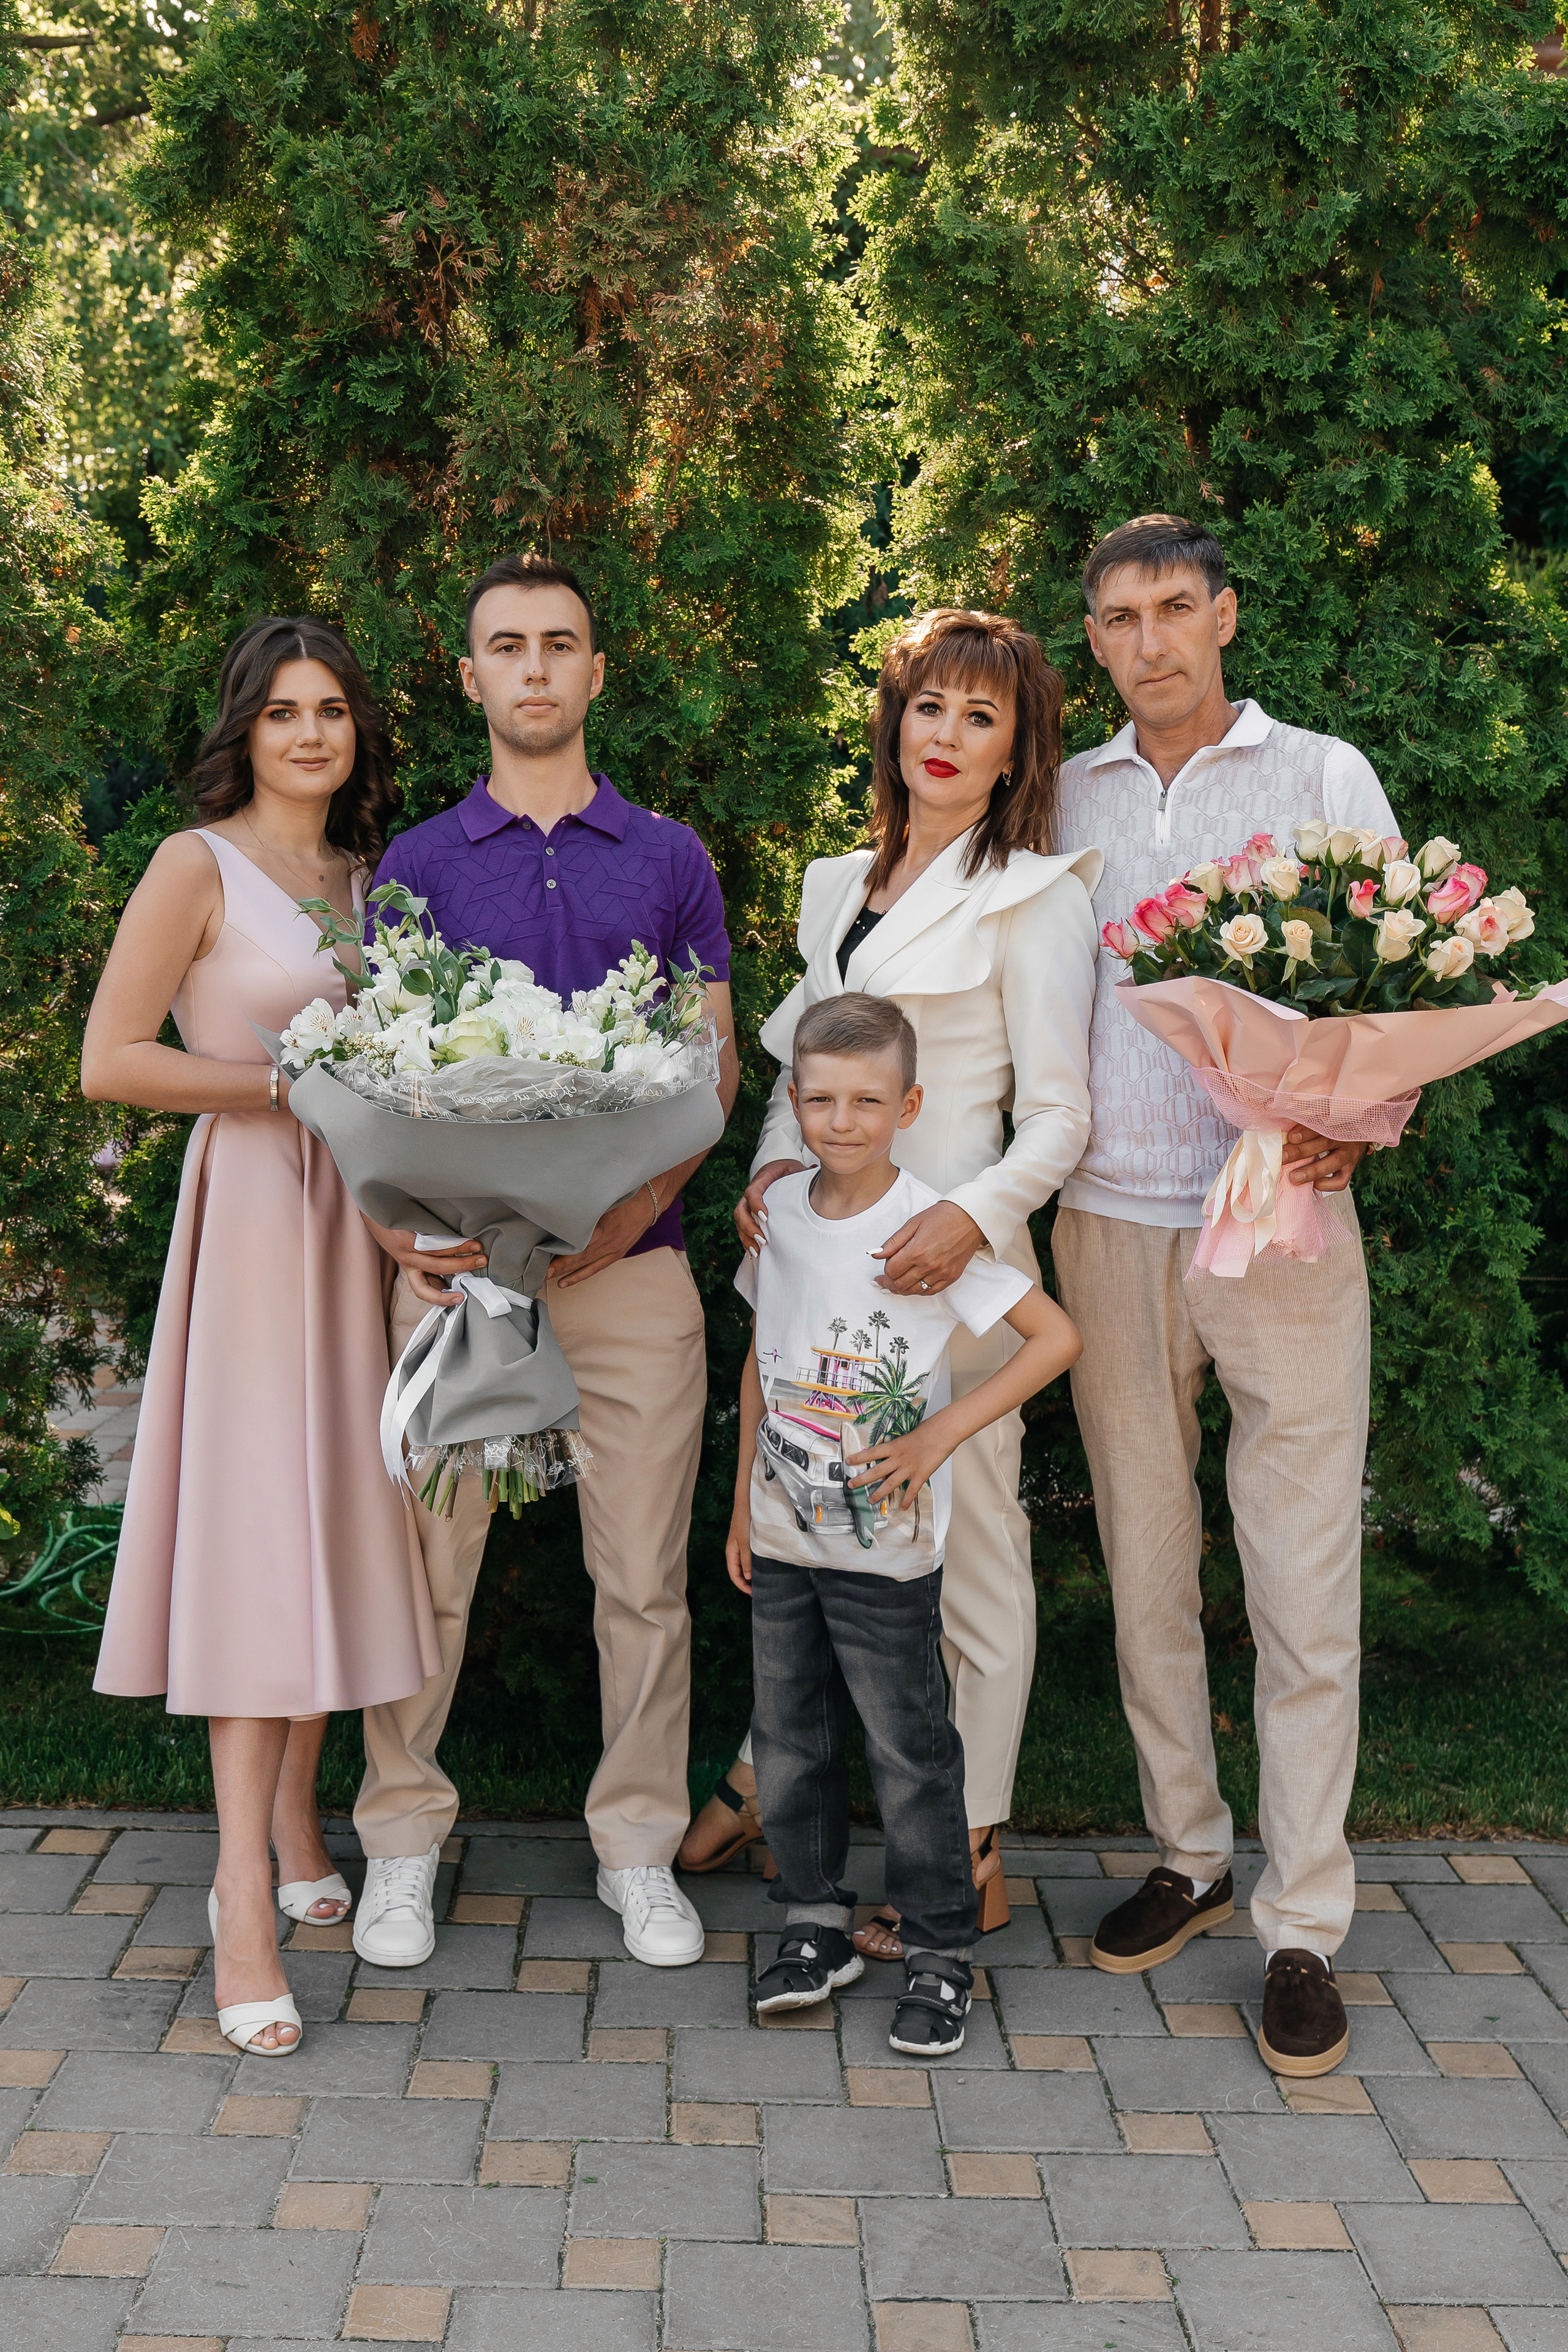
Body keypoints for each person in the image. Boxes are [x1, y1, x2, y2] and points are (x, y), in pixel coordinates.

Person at [351, 551, 739, 1971]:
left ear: (592, 671)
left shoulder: (670, 857)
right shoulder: (414, 866)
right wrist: (408, 1232)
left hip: (631, 1273)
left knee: (638, 1579)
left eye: (557, 643)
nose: (531, 667)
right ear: (470, 679)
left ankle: (638, 1848)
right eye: (504, 646)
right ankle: (401, 1839)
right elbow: (379, 1078)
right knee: (427, 1567)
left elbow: (713, 1069)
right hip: (459, 1274)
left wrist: (623, 1223)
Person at [1052, 513, 1401, 2078]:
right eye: (1119, 618)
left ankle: (1303, 1921)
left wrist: (1346, 1124)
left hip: (1280, 1232)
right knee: (1143, 1561)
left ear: (1225, 617)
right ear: (1094, 638)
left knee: (1297, 1576)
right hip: (1108, 1224)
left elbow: (1399, 991)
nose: (1149, 642)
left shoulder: (1319, 778)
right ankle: (1187, 1852)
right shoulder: (1056, 799)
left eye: (1174, 609)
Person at [694, 608, 1099, 1959]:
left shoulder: (1034, 895)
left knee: (963, 1553)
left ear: (1014, 752)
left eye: (980, 718)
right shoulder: (829, 884)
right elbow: (799, 1070)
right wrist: (764, 1173)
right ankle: (771, 1772)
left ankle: (969, 1849)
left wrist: (969, 1225)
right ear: (894, 721)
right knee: (808, 1511)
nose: (947, 736)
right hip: (821, 1254)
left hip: (952, 1273)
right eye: (930, 707)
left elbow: (1056, 1117)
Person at [85, 617, 442, 2058]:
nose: (311, 734)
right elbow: (113, 1059)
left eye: (333, 712)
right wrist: (285, 1086)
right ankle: (239, 1893)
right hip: (250, 1225)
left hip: (356, 1228)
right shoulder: (195, 864)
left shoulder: (372, 882)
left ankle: (297, 1813)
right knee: (257, 1543)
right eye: (285, 711)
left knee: (340, 1526)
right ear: (247, 726)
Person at [729, 994, 1081, 2052]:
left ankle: (938, 1950)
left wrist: (936, 1441)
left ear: (909, 1105)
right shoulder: (780, 1212)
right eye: (822, 1099)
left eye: (868, 1101)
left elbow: (1053, 1339)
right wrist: (740, 1502)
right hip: (783, 1532)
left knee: (909, 1751)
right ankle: (815, 1924)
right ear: (793, 1102)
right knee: (791, 1745)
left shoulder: (929, 1228)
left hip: (887, 1547)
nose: (842, 1121)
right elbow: (763, 1352)